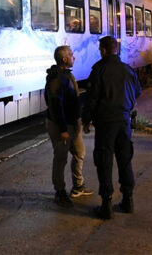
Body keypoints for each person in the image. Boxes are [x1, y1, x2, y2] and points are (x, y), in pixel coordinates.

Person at [83, 36, 142, 219]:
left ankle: (106, 205)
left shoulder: (98, 70)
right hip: (124, 122)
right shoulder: (128, 69)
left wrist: (86, 120)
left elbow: (92, 99)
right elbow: (138, 91)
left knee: (104, 162)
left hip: (105, 124)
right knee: (125, 160)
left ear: (103, 50)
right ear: (115, 49)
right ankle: (128, 201)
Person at [44, 46, 93, 208]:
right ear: (64, 59)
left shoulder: (65, 75)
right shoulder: (57, 78)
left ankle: (78, 186)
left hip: (73, 123)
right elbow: (55, 105)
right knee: (61, 158)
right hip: (62, 125)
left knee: (79, 152)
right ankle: (60, 192)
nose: (74, 57)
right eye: (71, 55)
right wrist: (63, 129)